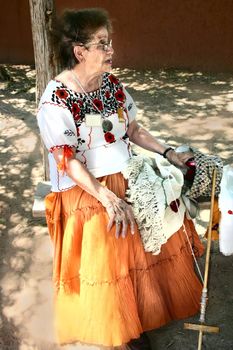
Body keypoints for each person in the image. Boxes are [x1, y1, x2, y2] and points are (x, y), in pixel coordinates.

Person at [37, 8, 204, 350]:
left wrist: (168, 152)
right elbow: (65, 160)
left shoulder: (112, 85)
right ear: (79, 51)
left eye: (109, 41)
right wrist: (108, 198)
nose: (111, 50)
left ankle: (140, 311)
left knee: (152, 228)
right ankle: (123, 330)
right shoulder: (55, 99)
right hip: (85, 190)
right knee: (112, 238)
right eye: (102, 43)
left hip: (125, 176)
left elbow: (133, 129)